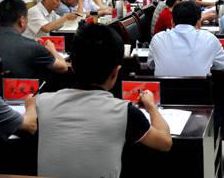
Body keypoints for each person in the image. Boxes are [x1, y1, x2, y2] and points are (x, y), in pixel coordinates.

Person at [36, 24, 172, 178]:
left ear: (72, 65)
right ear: (116, 72)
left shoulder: (42, 103)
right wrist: (151, 106)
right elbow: (165, 142)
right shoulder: (124, 112)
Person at [0, 0, 69, 78]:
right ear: (22, 20)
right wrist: (53, 50)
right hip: (26, 91)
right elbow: (63, 67)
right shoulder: (33, 47)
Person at [148, 1, 224, 76]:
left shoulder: (158, 39)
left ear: (172, 22)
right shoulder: (209, 39)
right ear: (199, 22)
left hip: (164, 89)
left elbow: (151, 65)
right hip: (199, 89)